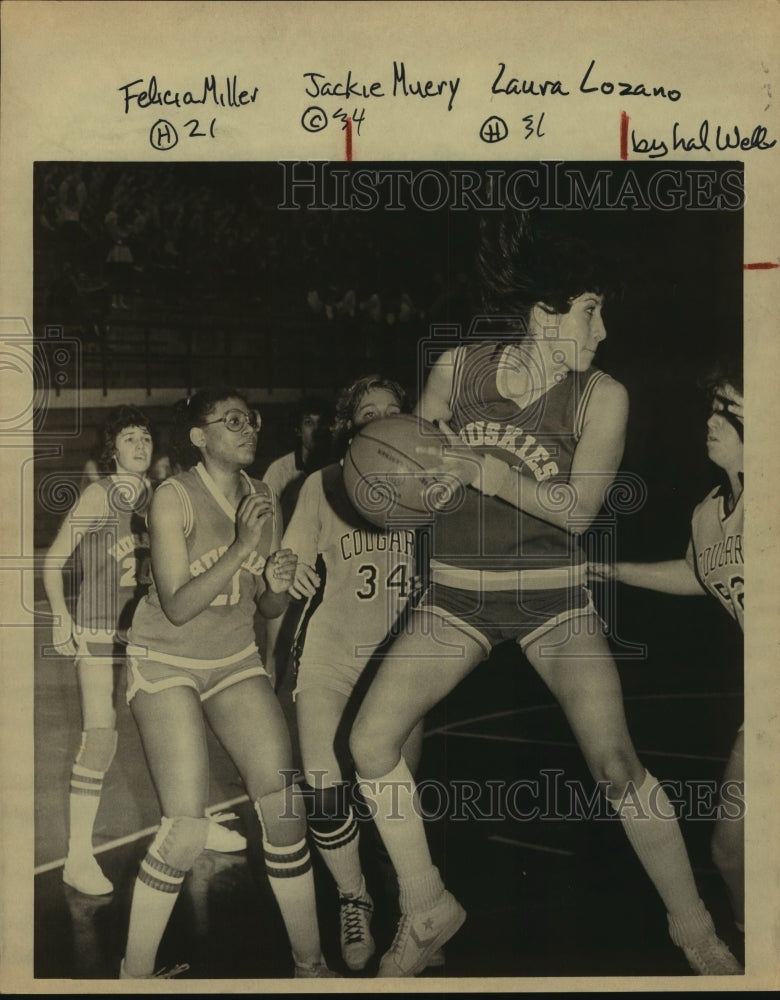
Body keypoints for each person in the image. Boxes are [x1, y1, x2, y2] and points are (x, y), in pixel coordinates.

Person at [347, 211, 742, 977]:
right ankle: (426, 905)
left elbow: (581, 510)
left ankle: (694, 930)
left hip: (554, 601)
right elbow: (408, 471)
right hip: (456, 595)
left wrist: (483, 472)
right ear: (545, 311)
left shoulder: (603, 395)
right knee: (368, 744)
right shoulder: (455, 370)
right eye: (592, 309)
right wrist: (385, 471)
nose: (602, 329)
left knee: (617, 765)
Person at [120, 388, 333, 979]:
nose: (248, 428)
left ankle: (311, 968)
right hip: (165, 659)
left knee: (285, 805)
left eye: (253, 419)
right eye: (232, 420)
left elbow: (266, 607)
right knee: (187, 828)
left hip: (232, 657)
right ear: (199, 436)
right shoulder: (173, 497)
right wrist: (242, 546)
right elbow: (180, 606)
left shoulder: (263, 495)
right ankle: (131, 977)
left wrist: (282, 584)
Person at [43, 407, 246, 899]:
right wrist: (60, 616)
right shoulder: (99, 495)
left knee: (178, 726)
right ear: (112, 449)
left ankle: (187, 825)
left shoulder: (162, 496)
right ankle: (77, 857)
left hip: (148, 629)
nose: (139, 444)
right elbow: (53, 563)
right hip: (98, 630)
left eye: (145, 436)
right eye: (129, 437)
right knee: (101, 737)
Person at [282, 375, 428, 973]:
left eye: (394, 410)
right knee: (322, 781)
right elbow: (275, 593)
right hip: (331, 654)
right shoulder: (320, 485)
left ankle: (418, 917)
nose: (384, 418)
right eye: (370, 411)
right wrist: (278, 573)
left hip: (401, 659)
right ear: (349, 425)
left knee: (398, 800)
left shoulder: (431, 481)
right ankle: (353, 898)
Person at [590, 372, 745, 936]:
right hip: (764, 713)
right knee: (730, 854)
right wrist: (610, 570)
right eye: (712, 406)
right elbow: (698, 574)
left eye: (729, 407)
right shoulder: (709, 512)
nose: (711, 419)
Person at [262, 395, 333, 525]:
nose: (316, 430)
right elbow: (266, 518)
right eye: (309, 423)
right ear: (298, 430)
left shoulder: (337, 467)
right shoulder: (279, 469)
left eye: (321, 423)